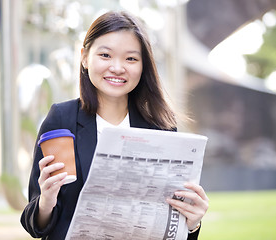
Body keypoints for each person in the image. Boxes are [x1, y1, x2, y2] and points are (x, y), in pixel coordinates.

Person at [21, 11, 209, 240]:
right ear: (84, 57)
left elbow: (172, 225)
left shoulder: (161, 128)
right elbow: (34, 224)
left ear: (143, 65)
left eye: (131, 59)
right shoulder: (62, 120)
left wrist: (192, 224)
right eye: (105, 55)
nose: (118, 68)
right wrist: (46, 202)